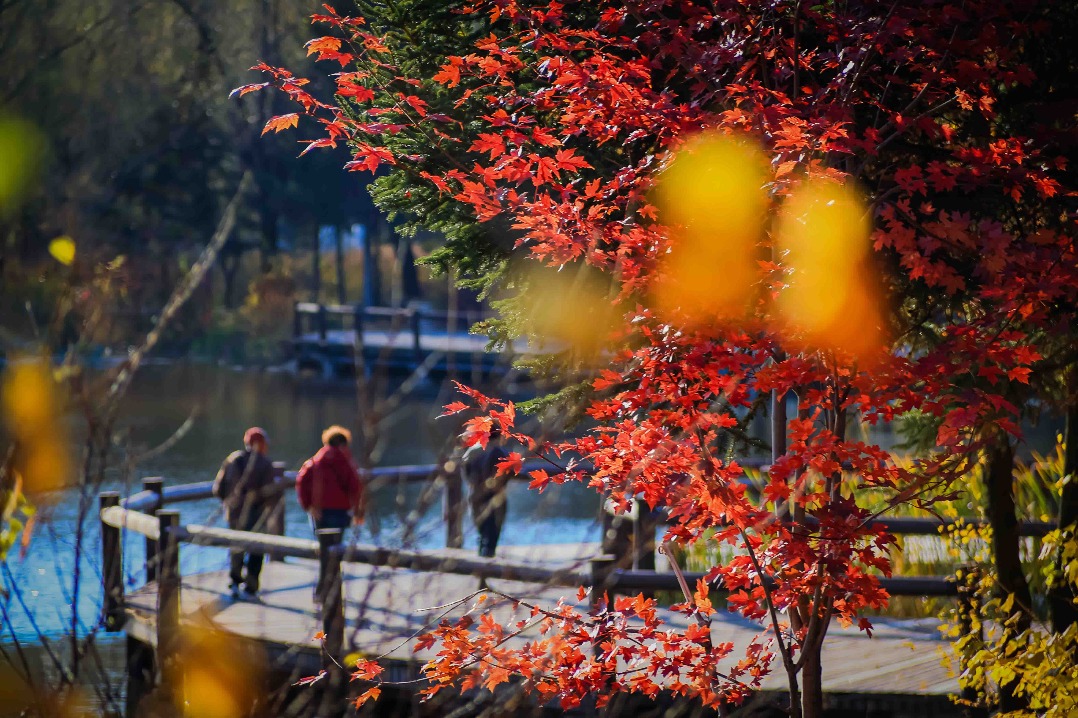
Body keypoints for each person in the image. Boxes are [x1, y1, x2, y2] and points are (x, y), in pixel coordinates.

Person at [212, 427, 276, 600]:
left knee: (236, 547)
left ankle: (234, 580)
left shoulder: (233, 460)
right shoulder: (265, 464)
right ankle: (251, 586)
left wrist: (229, 503)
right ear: (260, 444)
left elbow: (218, 488)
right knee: (256, 549)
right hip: (257, 515)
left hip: (234, 514)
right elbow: (269, 493)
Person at [296, 425, 365, 533]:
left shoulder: (315, 462)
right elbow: (355, 487)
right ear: (344, 444)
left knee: (322, 544)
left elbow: (301, 482)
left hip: (319, 511)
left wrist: (308, 506)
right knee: (337, 545)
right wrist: (358, 512)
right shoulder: (347, 463)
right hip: (341, 511)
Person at [461, 427, 510, 559]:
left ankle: (482, 551)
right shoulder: (500, 451)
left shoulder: (472, 452)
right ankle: (488, 556)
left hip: (475, 494)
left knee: (481, 527)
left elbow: (466, 471)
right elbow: (508, 472)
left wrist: (473, 484)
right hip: (496, 494)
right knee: (493, 530)